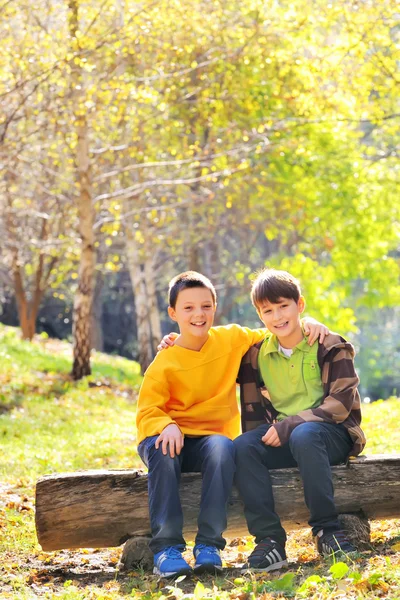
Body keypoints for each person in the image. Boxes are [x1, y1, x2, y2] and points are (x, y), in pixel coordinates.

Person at [136, 270, 328, 578]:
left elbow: (275, 329)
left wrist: (308, 324)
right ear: (173, 313)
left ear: (215, 306)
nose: (198, 314)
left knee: (224, 446)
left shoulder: (230, 338)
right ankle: (166, 548)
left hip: (209, 440)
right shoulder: (165, 362)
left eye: (205, 306)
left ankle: (208, 546)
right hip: (165, 436)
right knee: (164, 448)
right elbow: (147, 411)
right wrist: (164, 424)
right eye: (188, 308)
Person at [234, 268, 366, 573]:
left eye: (284, 306)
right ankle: (269, 541)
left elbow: (340, 403)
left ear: (300, 305)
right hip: (287, 435)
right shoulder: (256, 356)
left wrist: (291, 425)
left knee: (305, 435)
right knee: (243, 446)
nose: (278, 316)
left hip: (333, 433)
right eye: (268, 310)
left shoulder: (329, 344)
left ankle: (327, 530)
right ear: (259, 314)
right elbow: (253, 412)